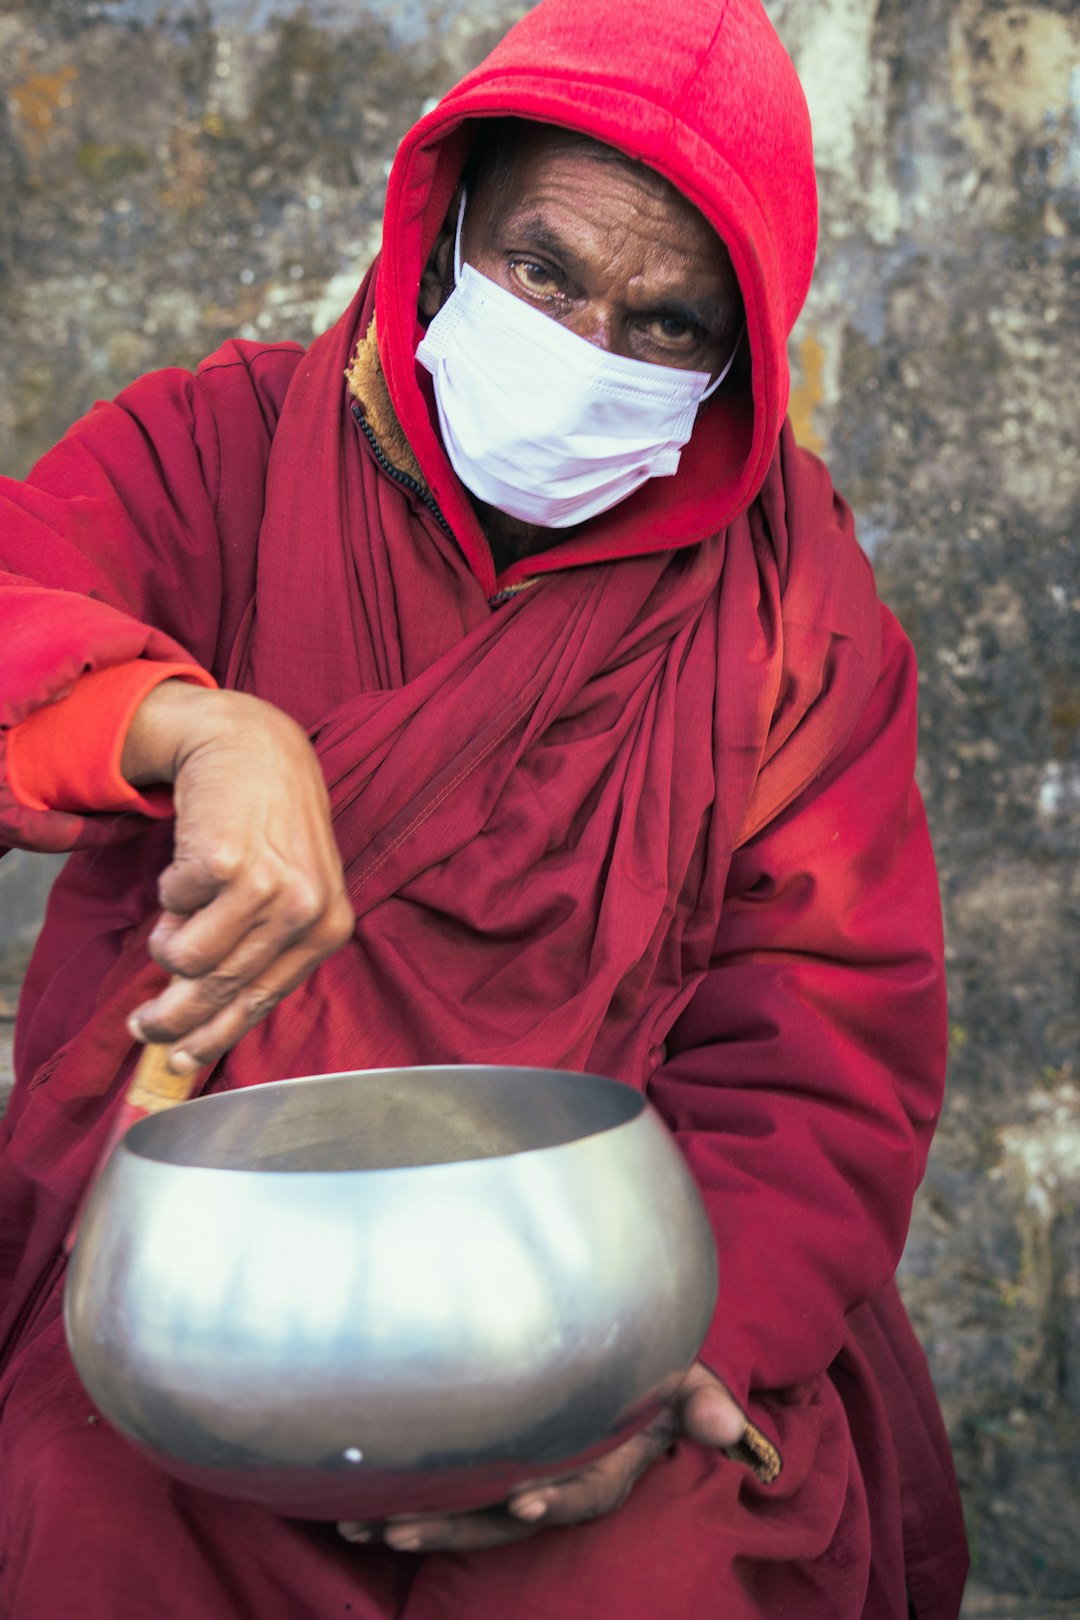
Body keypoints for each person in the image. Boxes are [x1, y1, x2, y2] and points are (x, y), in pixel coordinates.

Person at [0, 0, 970, 1614]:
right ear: (445, 230)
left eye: (668, 323)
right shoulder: (220, 453)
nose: (589, 349)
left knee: (649, 1575)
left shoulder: (793, 611)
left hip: (609, 1283)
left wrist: (668, 1356)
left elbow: (825, 1043)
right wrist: (196, 729)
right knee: (91, 1514)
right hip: (219, 1279)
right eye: (543, 271)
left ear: (741, 354)